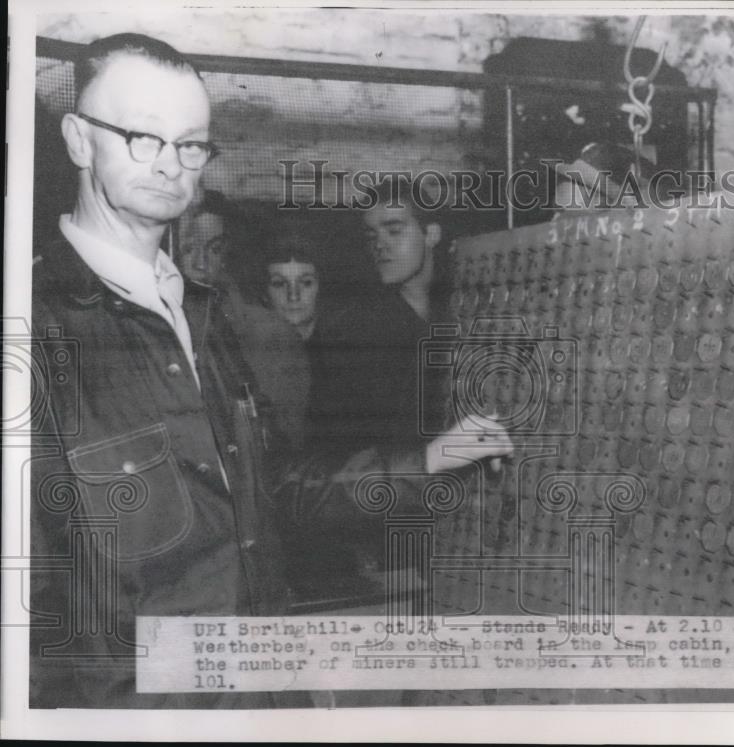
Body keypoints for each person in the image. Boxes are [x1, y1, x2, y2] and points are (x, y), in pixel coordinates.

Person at [29, 32, 512, 709]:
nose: (171, 164)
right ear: (79, 140)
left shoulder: (201, 317)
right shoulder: (35, 328)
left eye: (191, 143)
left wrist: (428, 458)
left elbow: (278, 488)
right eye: (143, 136)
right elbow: (30, 612)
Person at [308, 179, 452, 464]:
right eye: (372, 235)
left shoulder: (460, 311)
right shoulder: (349, 335)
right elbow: (335, 460)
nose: (380, 245)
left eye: (394, 231)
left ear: (431, 234)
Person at [175, 188, 310, 451]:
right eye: (189, 248)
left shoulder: (271, 336)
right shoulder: (140, 328)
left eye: (214, 249)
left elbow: (286, 447)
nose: (201, 264)